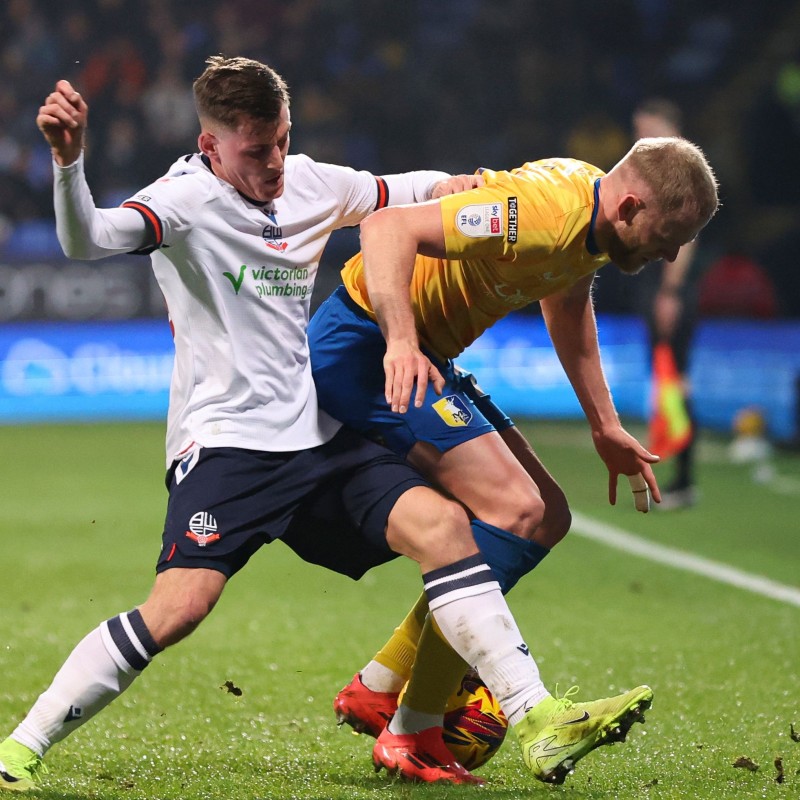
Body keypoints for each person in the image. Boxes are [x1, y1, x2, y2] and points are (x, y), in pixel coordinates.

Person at [0, 56, 646, 793]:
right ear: (211, 146)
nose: (274, 162)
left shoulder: (304, 179)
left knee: (446, 531)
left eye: (281, 140)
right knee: (179, 609)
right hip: (228, 447)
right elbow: (88, 238)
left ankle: (534, 718)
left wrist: (466, 187)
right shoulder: (179, 201)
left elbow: (398, 194)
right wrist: (68, 166)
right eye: (255, 150)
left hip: (318, 437)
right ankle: (21, 745)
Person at [308, 137, 718, 776]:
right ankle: (410, 728)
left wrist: (604, 424)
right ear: (632, 204)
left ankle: (382, 682)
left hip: (419, 354)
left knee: (547, 513)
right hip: (363, 348)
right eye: (669, 236)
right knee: (514, 509)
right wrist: (400, 342)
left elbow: (566, 300)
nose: (669, 253)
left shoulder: (588, 214)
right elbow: (387, 228)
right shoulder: (543, 213)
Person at [631, 98, 702, 509]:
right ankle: (675, 477)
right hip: (660, 288)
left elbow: (689, 235)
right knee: (666, 382)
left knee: (675, 381)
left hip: (670, 292)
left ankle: (684, 480)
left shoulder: (681, 168)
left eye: (646, 128)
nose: (640, 138)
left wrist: (669, 293)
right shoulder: (662, 168)